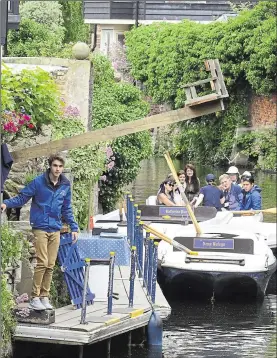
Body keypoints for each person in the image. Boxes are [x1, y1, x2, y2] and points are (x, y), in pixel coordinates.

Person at [1, 154, 79, 311]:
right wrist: (6, 204)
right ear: (50, 166)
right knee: (42, 262)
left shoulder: (65, 184)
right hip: (40, 226)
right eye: (55, 166)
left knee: (50, 264)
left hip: (55, 228)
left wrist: (74, 227)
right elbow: (22, 198)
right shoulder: (38, 182)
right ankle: (34, 297)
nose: (58, 169)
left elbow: (67, 208)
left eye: (60, 166)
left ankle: (44, 296)